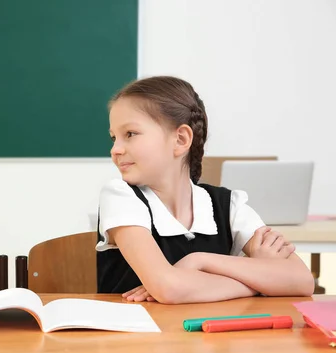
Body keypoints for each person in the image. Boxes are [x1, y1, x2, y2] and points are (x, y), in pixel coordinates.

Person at [96, 76, 314, 304]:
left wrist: (199, 261)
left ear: (180, 139)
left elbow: (301, 281)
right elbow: (169, 288)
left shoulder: (228, 205)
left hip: (212, 337)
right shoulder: (121, 196)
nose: (115, 149)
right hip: (137, 337)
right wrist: (261, 282)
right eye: (113, 138)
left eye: (130, 134)